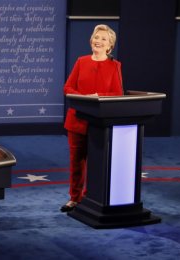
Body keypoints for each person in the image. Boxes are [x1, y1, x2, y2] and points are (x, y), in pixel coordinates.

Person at [60, 24, 123, 212]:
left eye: (103, 39)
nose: (98, 41)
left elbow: (117, 93)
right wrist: (83, 98)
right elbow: (67, 88)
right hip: (77, 120)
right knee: (76, 162)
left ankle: (91, 198)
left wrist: (98, 96)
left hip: (99, 123)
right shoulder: (81, 61)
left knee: (96, 162)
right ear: (91, 40)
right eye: (96, 37)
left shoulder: (115, 66)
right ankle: (74, 198)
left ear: (109, 46)